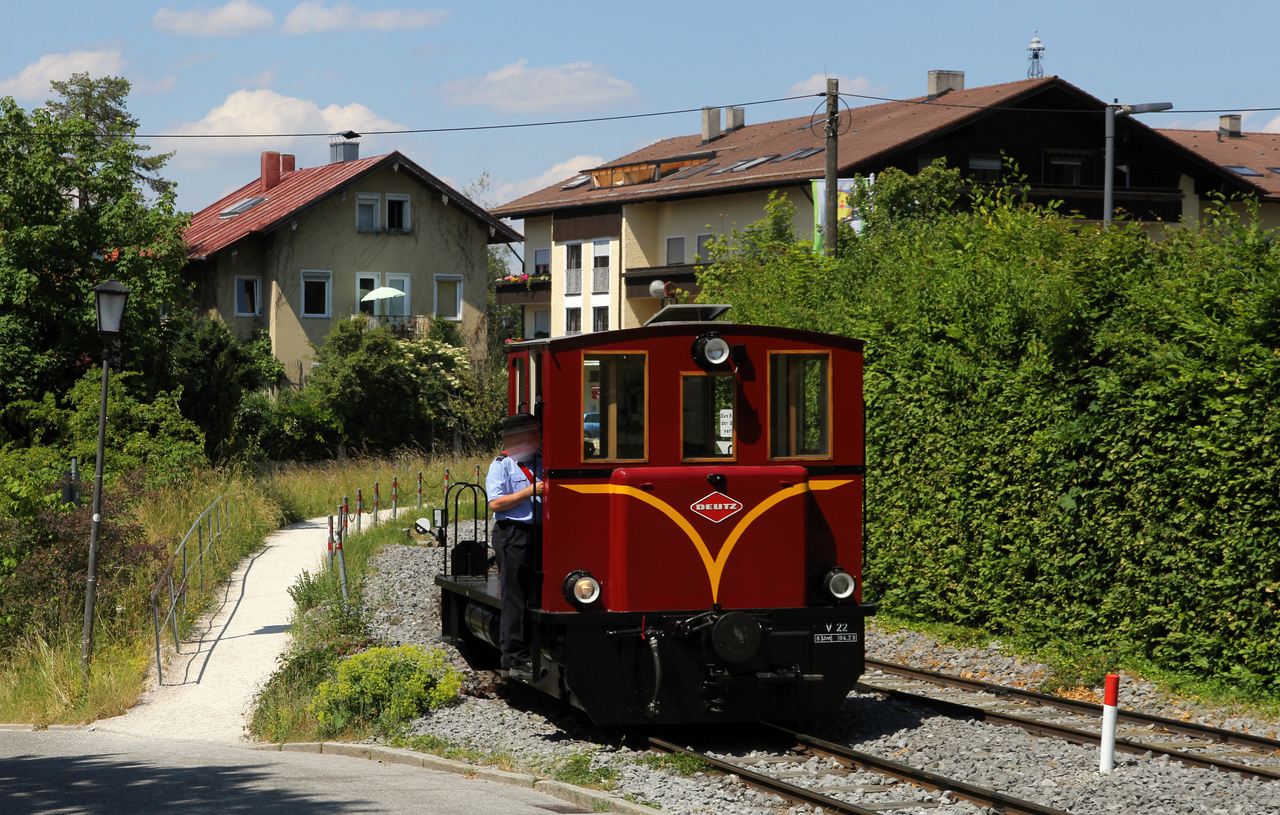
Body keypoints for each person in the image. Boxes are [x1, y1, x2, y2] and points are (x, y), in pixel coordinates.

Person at [485, 413, 543, 681]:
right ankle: (513, 658)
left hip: (539, 532)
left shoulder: (540, 462)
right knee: (514, 595)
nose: (535, 440)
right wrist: (529, 491)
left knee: (535, 594)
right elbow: (495, 503)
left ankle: (533, 650)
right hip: (513, 533)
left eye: (536, 435)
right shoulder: (501, 464)